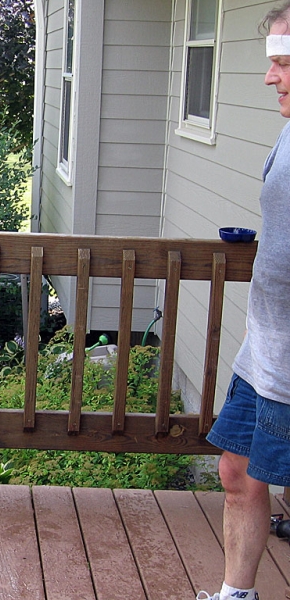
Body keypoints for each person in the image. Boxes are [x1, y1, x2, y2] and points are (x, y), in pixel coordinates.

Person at [197, 4, 290, 599]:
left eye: (282, 62)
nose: (268, 76)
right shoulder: (288, 132)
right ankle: (238, 595)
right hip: (266, 348)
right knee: (237, 472)